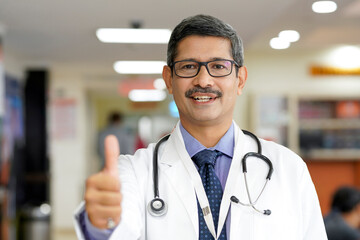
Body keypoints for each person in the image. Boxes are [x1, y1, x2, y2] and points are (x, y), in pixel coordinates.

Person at [74, 14, 327, 239]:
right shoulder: (134, 171)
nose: (203, 80)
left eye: (218, 66)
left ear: (240, 79)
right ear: (169, 80)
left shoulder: (289, 168)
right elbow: (115, 229)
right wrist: (102, 224)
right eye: (188, 67)